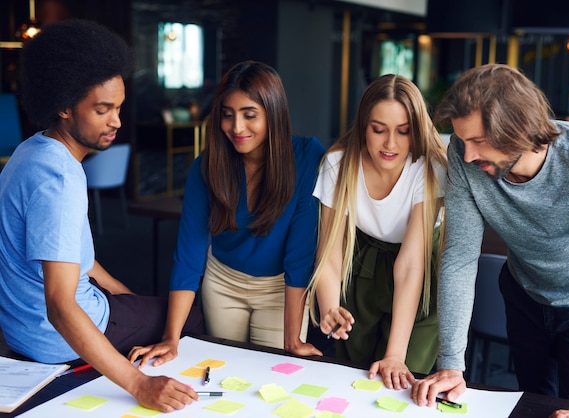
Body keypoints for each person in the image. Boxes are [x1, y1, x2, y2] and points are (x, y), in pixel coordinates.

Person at [0, 20, 204, 413]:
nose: (117, 121)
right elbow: (61, 305)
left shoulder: (32, 151)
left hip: (21, 329)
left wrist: (126, 298)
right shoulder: (58, 179)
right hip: (53, 338)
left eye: (119, 107)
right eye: (102, 109)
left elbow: (82, 260)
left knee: (146, 309)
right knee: (189, 315)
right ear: (63, 105)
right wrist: (140, 385)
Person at [411, 64, 569, 418]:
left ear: (520, 129)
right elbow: (460, 258)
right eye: (462, 140)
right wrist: (451, 364)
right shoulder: (465, 160)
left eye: (478, 141)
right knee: (532, 406)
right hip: (523, 296)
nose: (466, 156)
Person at [128, 60, 326, 368]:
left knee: (270, 376)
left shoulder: (307, 157)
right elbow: (189, 255)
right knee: (225, 372)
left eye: (250, 115)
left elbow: (300, 256)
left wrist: (293, 341)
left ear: (273, 113)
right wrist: (171, 337)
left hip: (279, 288)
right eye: (227, 114)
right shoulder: (207, 166)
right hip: (223, 282)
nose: (236, 127)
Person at [307, 74, 448, 390]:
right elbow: (330, 251)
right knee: (356, 380)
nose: (390, 144)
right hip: (362, 268)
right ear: (362, 126)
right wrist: (329, 305)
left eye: (403, 131)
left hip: (420, 276)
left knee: (400, 384)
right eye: (378, 129)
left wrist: (396, 355)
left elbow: (410, 265)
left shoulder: (430, 169)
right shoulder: (338, 164)